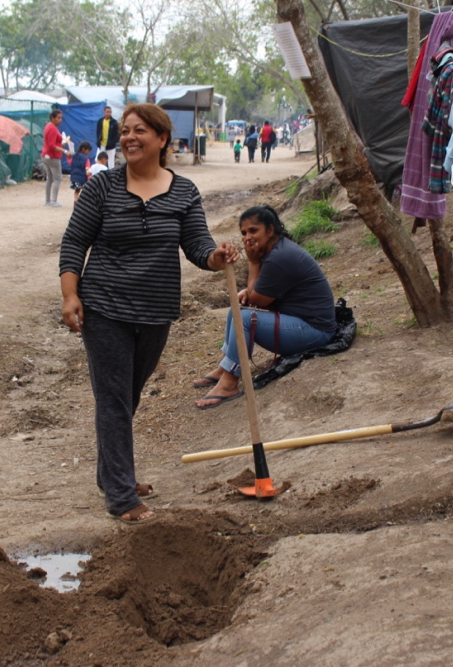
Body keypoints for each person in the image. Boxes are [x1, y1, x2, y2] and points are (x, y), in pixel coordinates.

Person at [59, 102, 238, 525]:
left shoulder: (183, 192)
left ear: (161, 139)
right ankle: (121, 496)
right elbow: (73, 243)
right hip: (104, 306)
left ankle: (111, 474)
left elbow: (197, 246)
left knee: (127, 395)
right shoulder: (103, 187)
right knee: (114, 398)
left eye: (139, 130)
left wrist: (216, 257)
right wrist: (70, 296)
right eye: (124, 131)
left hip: (155, 310)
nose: (129, 138)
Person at [194, 205, 337, 409]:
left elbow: (257, 302)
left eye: (253, 230)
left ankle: (229, 383)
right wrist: (249, 293)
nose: (247, 237)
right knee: (238, 308)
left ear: (270, 230)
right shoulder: (276, 250)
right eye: (243, 233)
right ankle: (226, 365)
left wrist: (252, 263)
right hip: (301, 322)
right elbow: (257, 296)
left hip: (316, 332)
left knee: (245, 317)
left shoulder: (279, 257)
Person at [42, 109, 67, 207]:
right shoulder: (52, 128)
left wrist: (62, 144)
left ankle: (48, 200)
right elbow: (52, 145)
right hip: (53, 156)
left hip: (46, 155)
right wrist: (64, 151)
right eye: (58, 118)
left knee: (50, 179)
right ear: (53, 118)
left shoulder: (48, 126)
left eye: (61, 118)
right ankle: (53, 201)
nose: (60, 120)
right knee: (57, 178)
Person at [69, 141, 93, 206]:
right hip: (82, 177)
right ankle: (83, 202)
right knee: (85, 190)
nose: (88, 152)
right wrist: (89, 177)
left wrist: (68, 156)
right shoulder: (86, 158)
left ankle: (75, 199)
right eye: (88, 151)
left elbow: (70, 162)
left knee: (77, 190)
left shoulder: (74, 156)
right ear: (83, 149)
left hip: (74, 176)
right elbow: (87, 168)